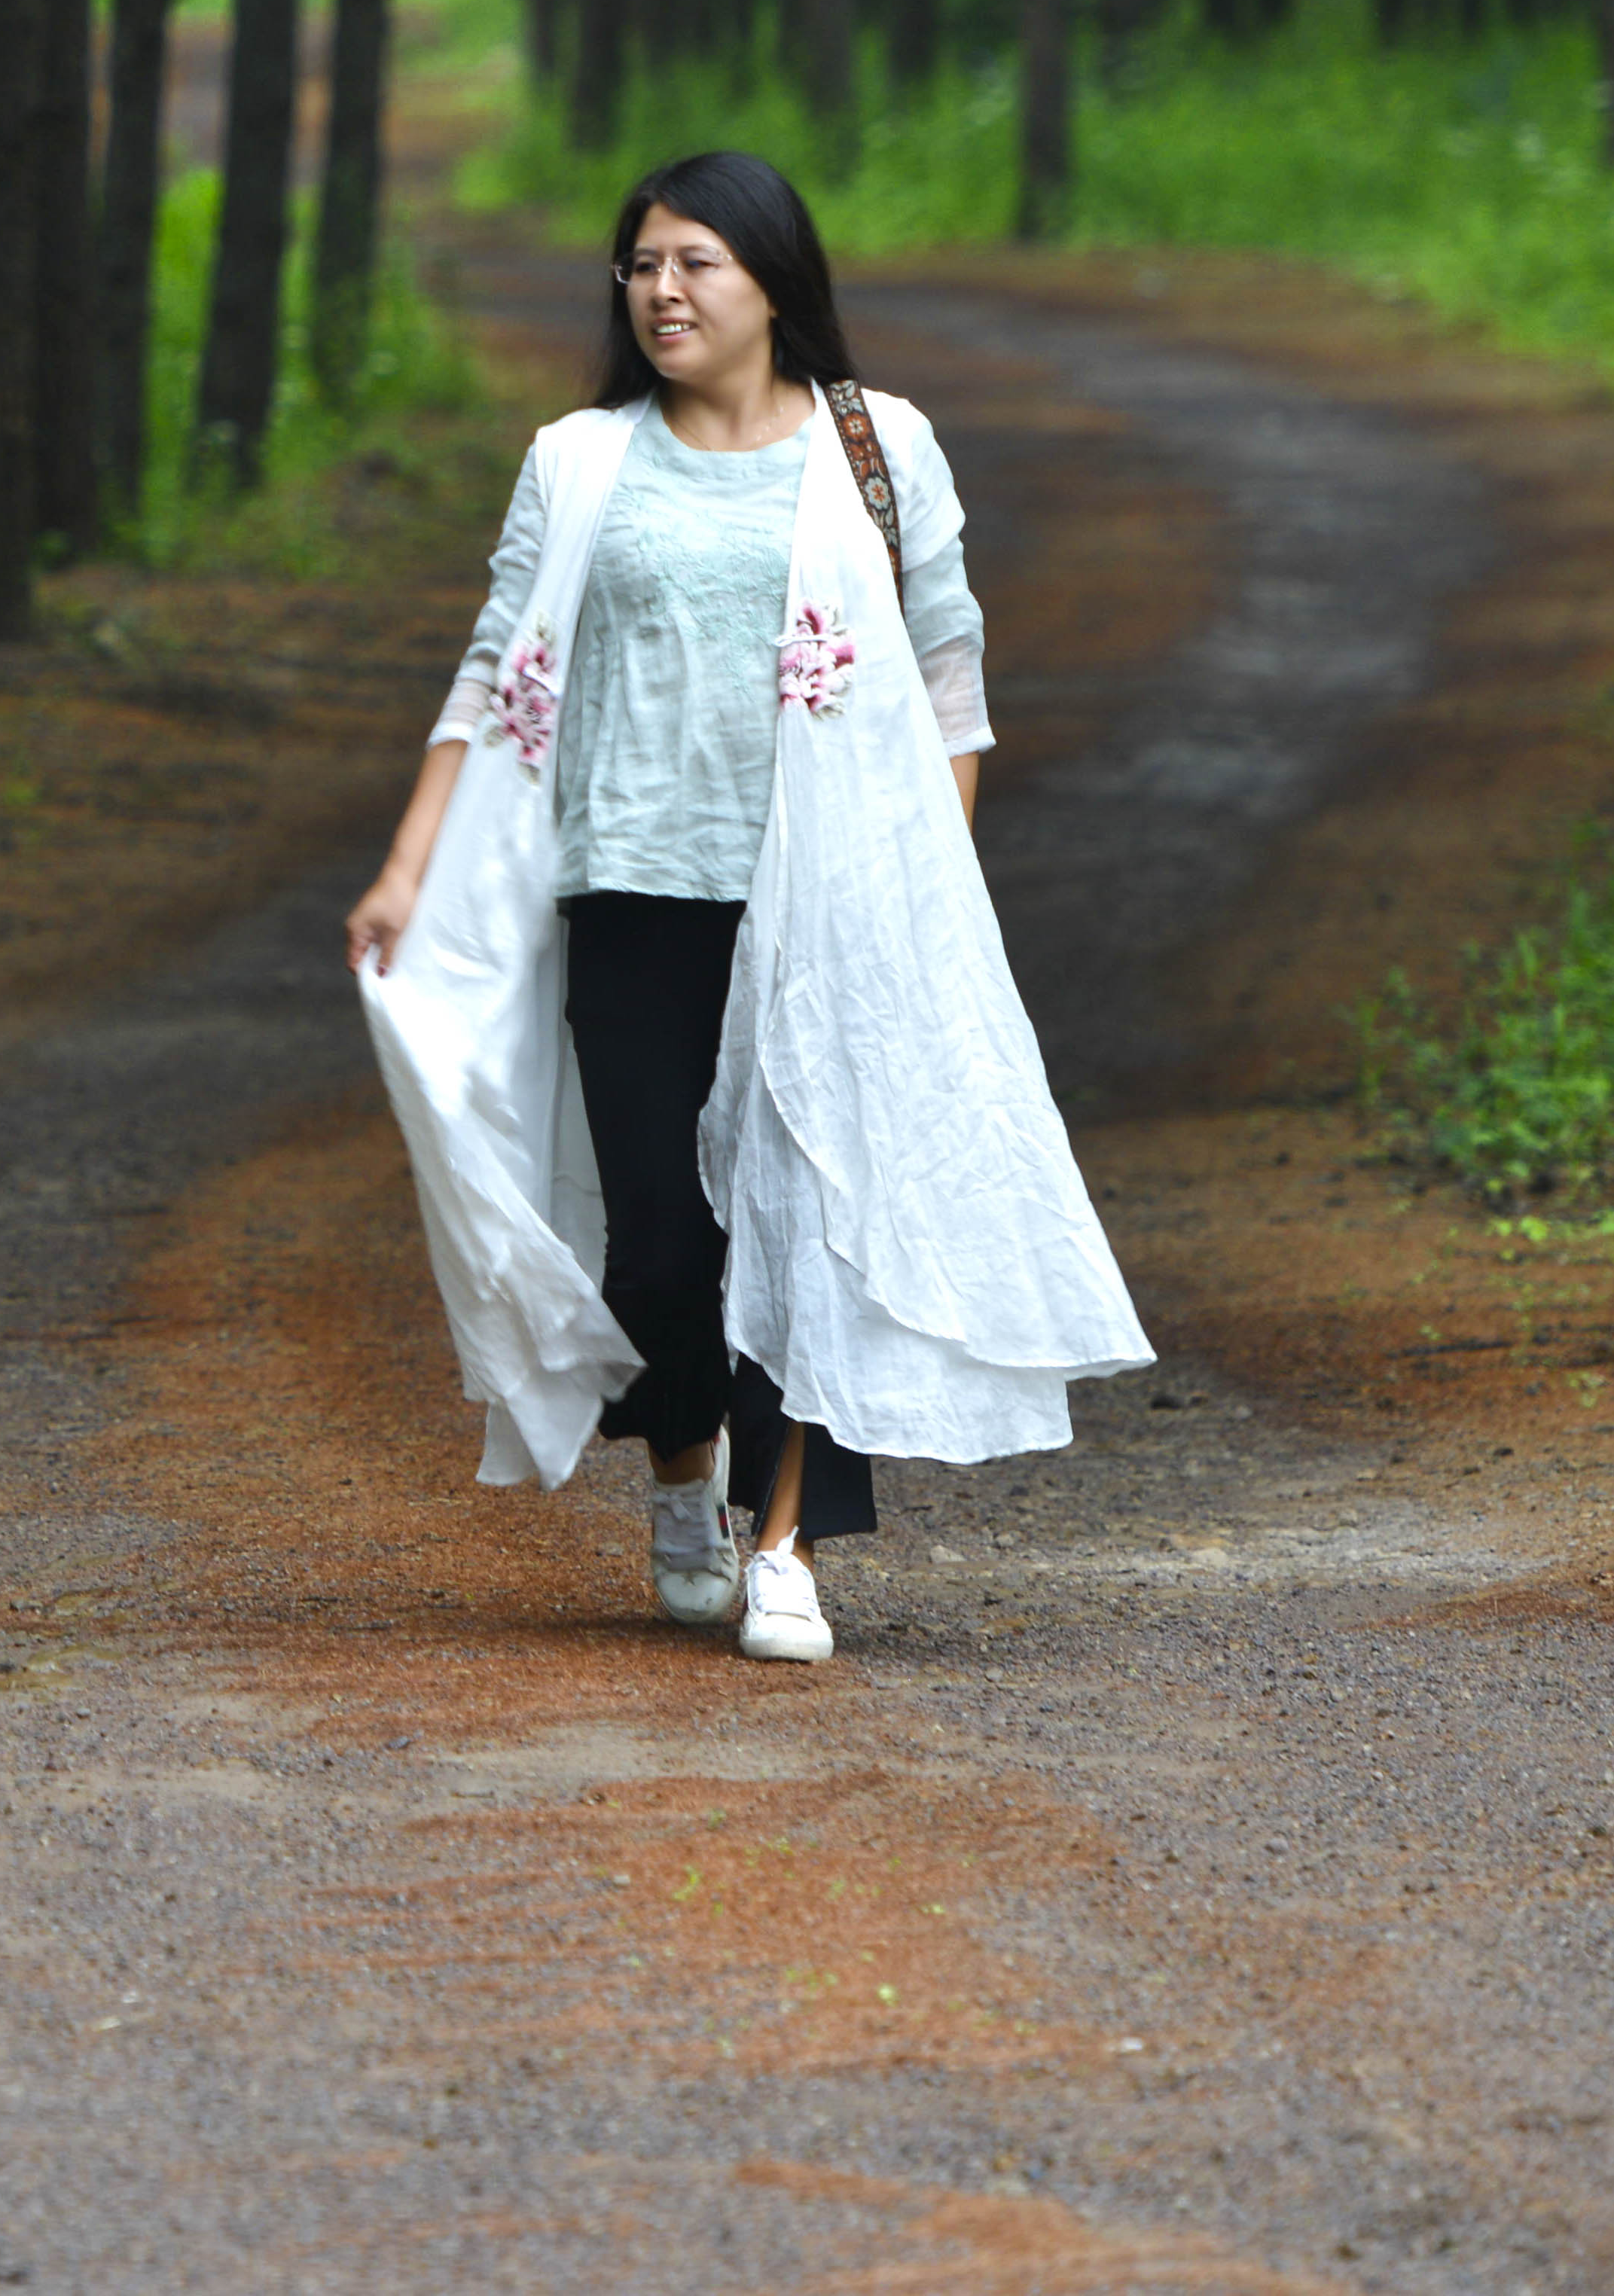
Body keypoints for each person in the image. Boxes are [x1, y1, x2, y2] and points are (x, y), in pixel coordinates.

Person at [344, 150, 1150, 1666]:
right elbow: (491, 669)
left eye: (694, 261)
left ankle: (780, 1546)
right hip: (632, 885)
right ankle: (676, 1468)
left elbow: (947, 687)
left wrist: (925, 899)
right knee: (658, 1235)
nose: (661, 290)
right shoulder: (578, 460)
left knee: (803, 1219)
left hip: (824, 902)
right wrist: (406, 865)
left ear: (772, 278)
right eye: (640, 264)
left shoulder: (877, 447)